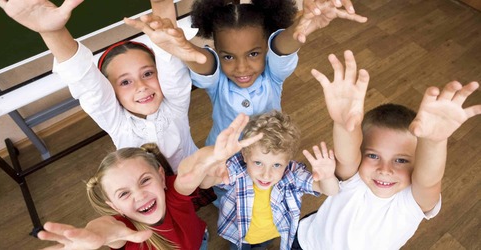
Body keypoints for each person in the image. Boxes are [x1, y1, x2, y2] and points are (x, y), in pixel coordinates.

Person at [124, 0, 366, 207]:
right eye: (228, 57)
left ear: (265, 50)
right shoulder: (217, 81)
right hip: (225, 167)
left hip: (270, 161)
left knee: (265, 199)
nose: (241, 68)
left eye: (253, 54)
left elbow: (282, 48)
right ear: (217, 52)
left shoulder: (273, 74)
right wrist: (186, 50)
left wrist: (298, 29)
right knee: (231, 202)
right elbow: (204, 62)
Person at [293, 50, 481, 249]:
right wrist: (342, 122)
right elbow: (347, 154)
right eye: (373, 155)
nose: (385, 169)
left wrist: (434, 142)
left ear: (418, 163)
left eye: (401, 160)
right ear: (360, 153)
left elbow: (429, 180)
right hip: (306, 242)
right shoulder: (354, 179)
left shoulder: (412, 202)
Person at [0, 0, 202, 174]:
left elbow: (166, 51)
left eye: (147, 73)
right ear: (111, 91)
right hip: (153, 196)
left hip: (197, 176)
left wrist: (162, 3)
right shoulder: (116, 122)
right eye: (125, 82)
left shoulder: (175, 102)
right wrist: (52, 32)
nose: (141, 86)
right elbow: (86, 81)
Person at [36, 113, 263, 250]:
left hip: (198, 242)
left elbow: (189, 171)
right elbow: (109, 229)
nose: (140, 195)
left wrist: (211, 156)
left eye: (145, 180)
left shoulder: (174, 193)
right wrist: (99, 235)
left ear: (162, 177)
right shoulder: (124, 230)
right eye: (123, 194)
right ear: (114, 207)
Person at [206, 110, 339, 250]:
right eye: (258, 163)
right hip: (239, 235)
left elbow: (331, 190)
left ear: (287, 162)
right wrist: (212, 165)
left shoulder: (293, 175)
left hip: (272, 234)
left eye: (276, 165)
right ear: (245, 155)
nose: (266, 175)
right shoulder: (237, 169)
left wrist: (328, 176)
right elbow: (205, 184)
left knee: (262, 245)